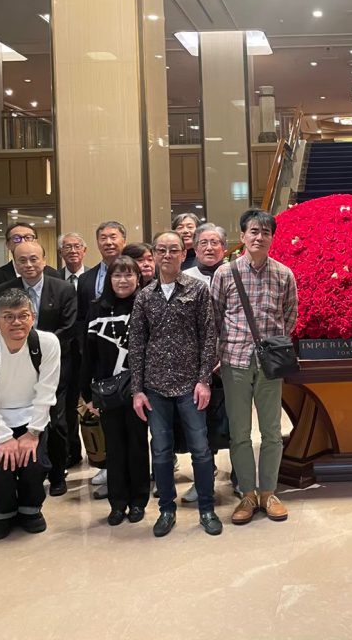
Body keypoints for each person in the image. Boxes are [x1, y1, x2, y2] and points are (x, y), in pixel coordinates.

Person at [130, 231, 221, 537]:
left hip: (190, 385)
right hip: (155, 387)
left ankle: (207, 508)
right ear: (154, 255)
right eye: (161, 250)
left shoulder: (198, 290)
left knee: (201, 450)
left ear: (184, 254)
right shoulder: (144, 296)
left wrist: (204, 380)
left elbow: (209, 337)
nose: (167, 255)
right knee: (161, 451)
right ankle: (166, 510)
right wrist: (137, 390)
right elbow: (137, 345)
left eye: (173, 250)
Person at [212, 209, 298, 524]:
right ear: (243, 236)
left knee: (272, 431)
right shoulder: (225, 274)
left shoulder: (284, 274)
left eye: (265, 232)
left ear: (272, 238)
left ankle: (269, 492)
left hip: (269, 364)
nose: (259, 237)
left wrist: (272, 345)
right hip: (234, 361)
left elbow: (290, 315)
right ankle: (247, 493)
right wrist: (219, 356)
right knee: (239, 433)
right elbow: (215, 317)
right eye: (253, 231)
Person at [0, 288, 61, 540]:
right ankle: (3, 513)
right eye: (8, 316)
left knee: (34, 464)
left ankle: (31, 510)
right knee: (2, 466)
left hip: (33, 417)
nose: (16, 322)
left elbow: (47, 391)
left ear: (33, 317)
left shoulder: (47, 343)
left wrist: (33, 433)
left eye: (23, 315)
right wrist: (4, 438)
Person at [0, 241, 77, 496]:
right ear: (14, 263)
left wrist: (39, 349)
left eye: (33, 259)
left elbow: (68, 328)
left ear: (44, 260)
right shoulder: (3, 290)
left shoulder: (63, 288)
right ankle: (28, 473)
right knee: (23, 420)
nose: (28, 265)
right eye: (22, 260)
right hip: (15, 367)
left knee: (57, 422)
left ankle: (58, 474)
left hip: (56, 365)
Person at [79, 256, 149, 526]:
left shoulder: (146, 305)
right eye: (117, 275)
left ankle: (139, 501)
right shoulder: (97, 309)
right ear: (109, 280)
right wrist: (88, 396)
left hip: (139, 391)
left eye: (129, 275)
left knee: (138, 445)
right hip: (107, 392)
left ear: (138, 278)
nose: (123, 280)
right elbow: (88, 354)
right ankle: (118, 504)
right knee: (115, 448)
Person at [180, 222, 231, 504]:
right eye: (204, 243)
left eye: (215, 243)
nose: (209, 248)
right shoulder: (184, 277)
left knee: (234, 422)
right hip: (194, 364)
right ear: (195, 248)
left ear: (224, 248)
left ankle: (240, 478)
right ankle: (203, 479)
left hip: (230, 361)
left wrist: (223, 354)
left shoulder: (236, 274)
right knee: (199, 425)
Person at [0, 222, 58, 326]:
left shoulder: (53, 274)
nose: (23, 241)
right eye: (16, 238)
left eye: (28, 237)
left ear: (36, 241)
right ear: (8, 244)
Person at [58, 231, 88, 467]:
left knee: (91, 401)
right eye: (67, 247)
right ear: (61, 252)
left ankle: (99, 454)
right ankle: (71, 452)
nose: (72, 251)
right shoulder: (54, 278)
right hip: (63, 351)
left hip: (88, 349)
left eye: (77, 246)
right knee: (66, 404)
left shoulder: (93, 277)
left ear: (84, 250)